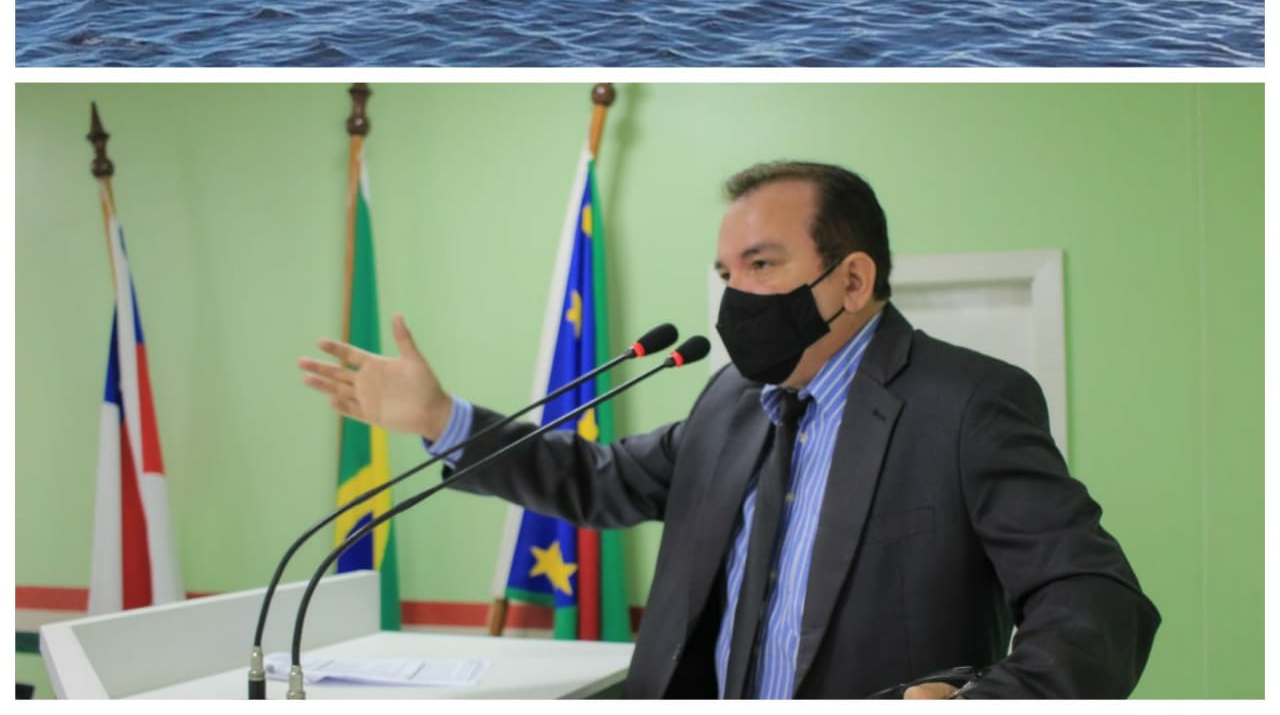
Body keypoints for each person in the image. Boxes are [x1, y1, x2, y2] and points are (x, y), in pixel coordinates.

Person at [299, 161, 1160, 699]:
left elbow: (1097, 601)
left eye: (762, 266)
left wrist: (986, 702)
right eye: (725, 271)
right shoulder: (728, 401)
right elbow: (597, 479)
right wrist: (440, 420)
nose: (734, 296)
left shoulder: (969, 401)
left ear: (852, 279)